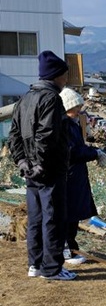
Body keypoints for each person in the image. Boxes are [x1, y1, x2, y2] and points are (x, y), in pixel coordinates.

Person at [8, 50, 75, 280]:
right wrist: (40, 163)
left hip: (30, 171)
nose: (66, 80)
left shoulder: (24, 98)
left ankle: (34, 265)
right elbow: (46, 136)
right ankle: (52, 268)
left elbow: (14, 135)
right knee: (53, 217)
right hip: (50, 170)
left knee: (36, 218)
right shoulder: (51, 99)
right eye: (64, 76)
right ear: (55, 76)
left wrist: (22, 161)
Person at [60, 88, 106, 265]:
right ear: (68, 106)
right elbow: (72, 151)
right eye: (77, 106)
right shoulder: (65, 124)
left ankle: (71, 247)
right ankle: (67, 250)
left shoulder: (71, 123)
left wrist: (93, 151)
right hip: (70, 176)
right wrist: (94, 153)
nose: (79, 109)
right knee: (68, 215)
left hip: (75, 175)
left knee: (73, 216)